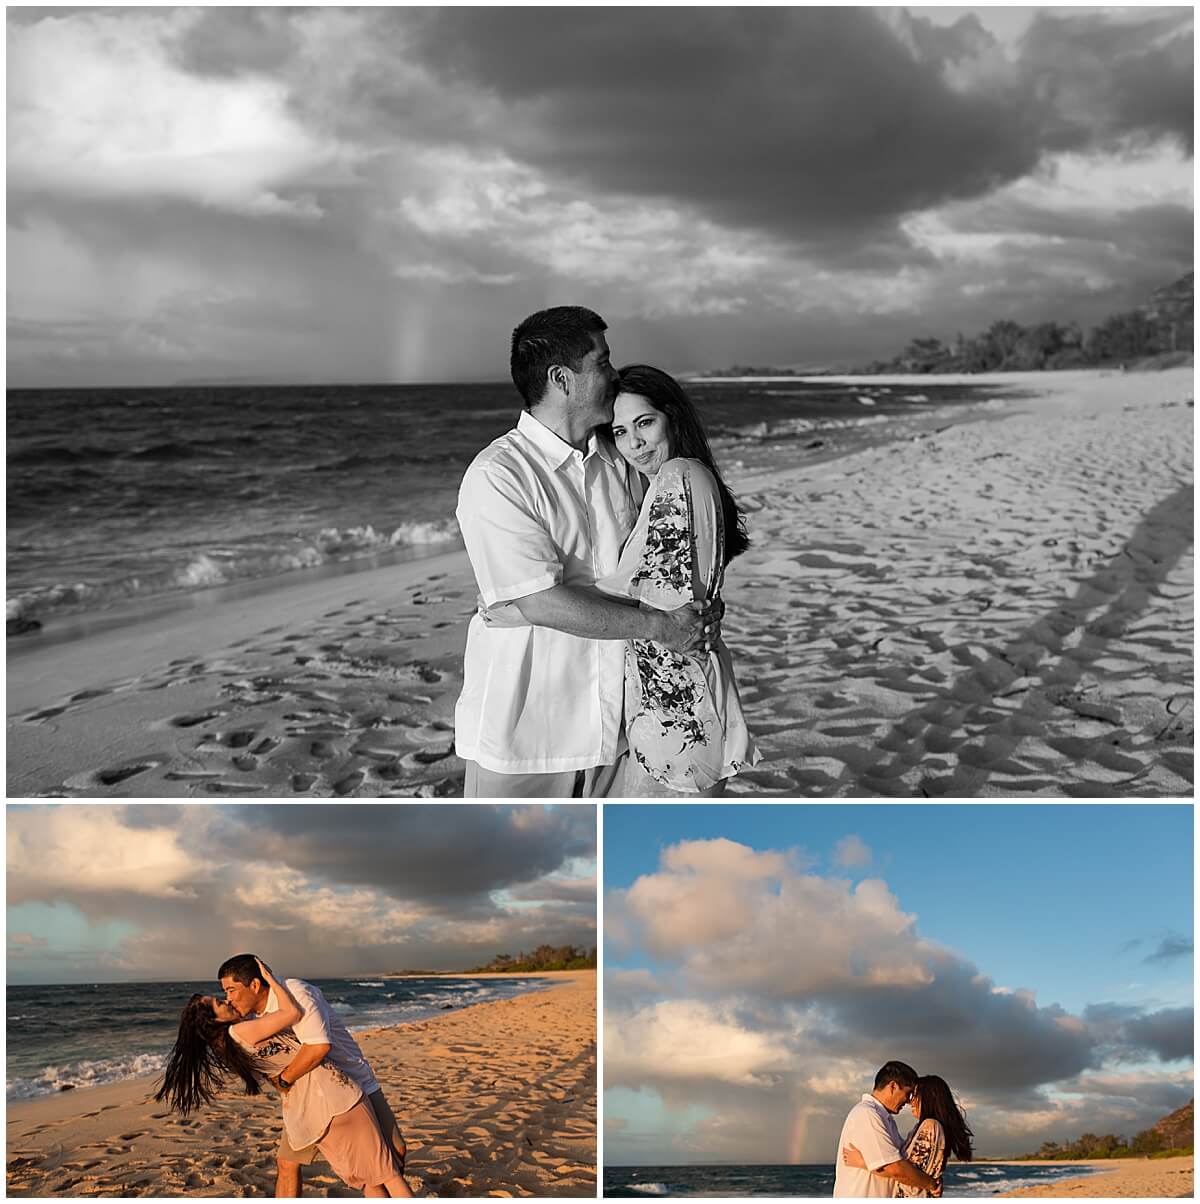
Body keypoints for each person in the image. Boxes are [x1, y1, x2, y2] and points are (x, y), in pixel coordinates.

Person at [454, 306, 715, 797]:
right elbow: (543, 602)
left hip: (614, 732)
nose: (614, 375)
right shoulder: (499, 475)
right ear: (561, 379)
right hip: (528, 738)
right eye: (602, 363)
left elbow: (665, 557)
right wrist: (663, 627)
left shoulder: (618, 461)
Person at [600, 364, 759, 795]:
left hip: (678, 707)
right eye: (618, 432)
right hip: (673, 697)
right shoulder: (675, 481)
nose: (633, 443)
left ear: (673, 417)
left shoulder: (678, 477)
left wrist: (530, 604)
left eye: (644, 423)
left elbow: (660, 602)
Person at [156, 958, 410, 1198]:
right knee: (380, 1172)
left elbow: (313, 1048)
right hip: (332, 1097)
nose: (228, 999)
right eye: (223, 998)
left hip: (327, 1092)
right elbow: (307, 1041)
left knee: (380, 1169)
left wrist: (283, 1081)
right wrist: (285, 1081)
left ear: (254, 985)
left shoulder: (276, 1006)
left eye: (230, 991)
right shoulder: (246, 1027)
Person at [843, 1073, 973, 1197]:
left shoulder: (931, 1127)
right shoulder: (925, 1128)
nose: (910, 1101)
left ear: (928, 1098)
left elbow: (905, 1176)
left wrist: (863, 1162)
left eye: (915, 1095)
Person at [832, 1061, 943, 1198]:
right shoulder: (868, 1114)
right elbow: (896, 1169)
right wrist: (931, 1184)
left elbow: (904, 1162)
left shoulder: (885, 1119)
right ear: (893, 1086)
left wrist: (863, 1162)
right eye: (908, 1093)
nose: (908, 1101)